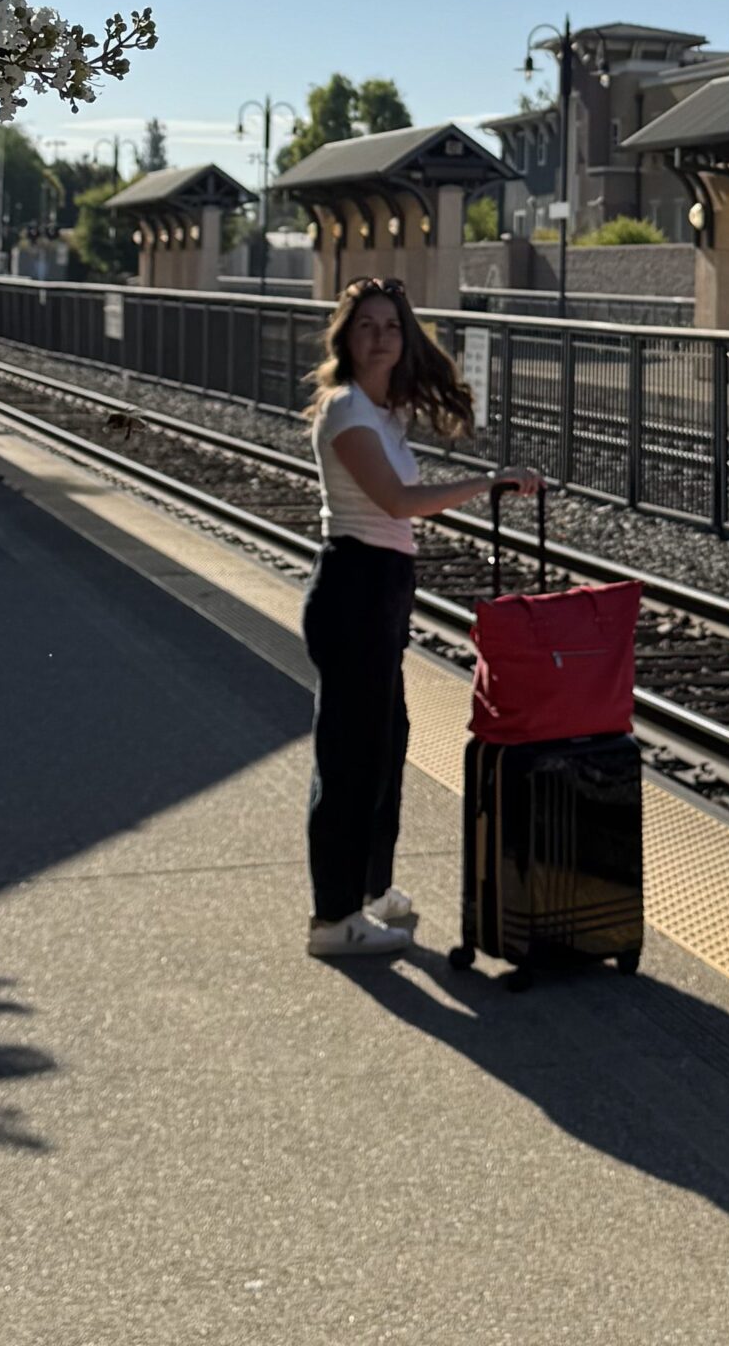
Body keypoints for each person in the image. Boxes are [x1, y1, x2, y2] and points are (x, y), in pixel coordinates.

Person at [301, 277, 542, 959]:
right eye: (367, 325)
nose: (380, 336)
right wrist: (486, 483)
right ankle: (333, 919)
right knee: (350, 757)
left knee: (384, 744)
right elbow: (397, 501)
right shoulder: (347, 409)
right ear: (346, 337)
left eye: (392, 327)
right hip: (354, 586)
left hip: (378, 589)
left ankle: (370, 893)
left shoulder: (381, 410)